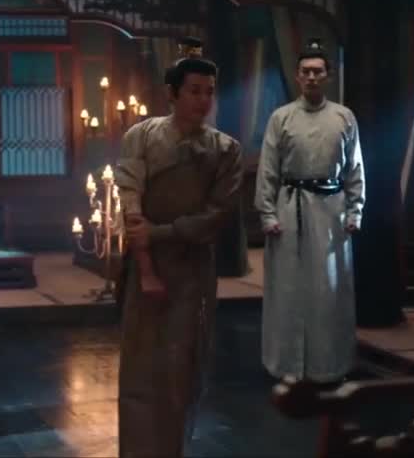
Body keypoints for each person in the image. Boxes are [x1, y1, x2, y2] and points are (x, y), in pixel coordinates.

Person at [115, 57, 243, 457]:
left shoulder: (225, 149)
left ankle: (173, 449)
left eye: (209, 92)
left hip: (192, 267)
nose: (203, 100)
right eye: (194, 91)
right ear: (171, 93)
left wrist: (162, 232)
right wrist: (146, 266)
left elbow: (217, 215)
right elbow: (131, 203)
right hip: (146, 264)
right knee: (139, 367)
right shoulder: (141, 136)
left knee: (182, 364)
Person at [254, 39, 365, 385]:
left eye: (318, 71)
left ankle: (329, 365)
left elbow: (355, 169)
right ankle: (286, 363)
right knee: (288, 289)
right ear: (298, 76)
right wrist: (267, 213)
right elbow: (268, 169)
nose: (312, 77)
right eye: (306, 72)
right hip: (291, 209)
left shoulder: (344, 117)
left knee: (329, 289)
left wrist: (355, 211)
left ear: (328, 75)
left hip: (331, 212)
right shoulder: (281, 118)